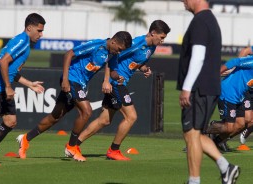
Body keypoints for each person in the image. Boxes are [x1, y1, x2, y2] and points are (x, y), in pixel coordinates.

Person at [16, 31, 132, 162]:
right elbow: (69, 54)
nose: (119, 52)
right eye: (119, 49)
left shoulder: (112, 54)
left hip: (80, 84)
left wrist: (118, 77)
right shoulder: (96, 45)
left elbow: (113, 71)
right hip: (71, 79)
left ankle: (25, 139)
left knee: (55, 117)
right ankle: (71, 146)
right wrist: (65, 79)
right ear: (114, 42)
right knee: (86, 111)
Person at [76, 20, 170, 161]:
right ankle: (113, 150)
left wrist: (144, 68)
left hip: (120, 82)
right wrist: (106, 80)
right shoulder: (137, 43)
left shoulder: (152, 47)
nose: (162, 40)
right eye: (161, 37)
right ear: (153, 33)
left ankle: (73, 145)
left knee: (104, 120)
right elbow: (111, 56)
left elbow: (136, 63)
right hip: (116, 83)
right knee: (131, 117)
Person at [177, 0, 240, 184]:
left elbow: (198, 56)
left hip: (199, 88)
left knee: (191, 134)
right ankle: (226, 168)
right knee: (196, 134)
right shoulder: (209, 19)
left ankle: (194, 181)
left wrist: (187, 88)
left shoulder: (200, 21)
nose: (183, 2)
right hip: (208, 87)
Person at [0, 13, 46, 165]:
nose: (41, 34)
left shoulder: (24, 42)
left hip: (2, 88)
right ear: (29, 28)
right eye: (39, 30)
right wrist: (8, 87)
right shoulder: (22, 41)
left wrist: (29, 84)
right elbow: (4, 62)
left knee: (10, 121)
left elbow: (12, 71)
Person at [206, 56, 253, 152]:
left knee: (241, 124)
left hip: (240, 96)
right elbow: (235, 61)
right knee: (229, 127)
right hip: (229, 92)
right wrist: (216, 74)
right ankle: (197, 135)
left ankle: (216, 143)